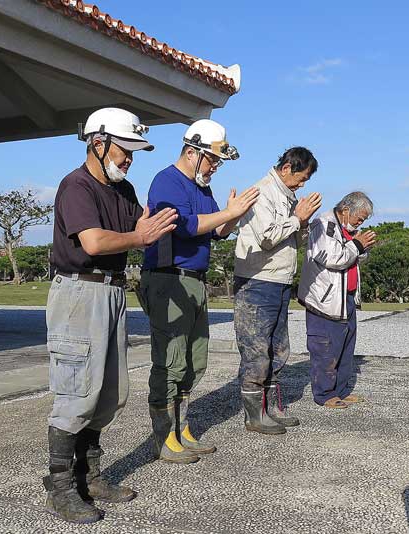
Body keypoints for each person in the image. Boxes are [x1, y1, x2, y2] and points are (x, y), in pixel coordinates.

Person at [44, 108, 177, 524]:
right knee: (77, 393)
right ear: (98, 144)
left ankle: (90, 475)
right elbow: (95, 241)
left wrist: (167, 222)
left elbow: (143, 222)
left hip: (113, 291)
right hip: (79, 293)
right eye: (125, 151)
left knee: (110, 392)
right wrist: (141, 236)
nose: (129, 160)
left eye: (134, 153)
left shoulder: (123, 189)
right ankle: (61, 486)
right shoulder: (75, 186)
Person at [140, 119, 259, 463]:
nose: (215, 167)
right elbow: (186, 225)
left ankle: (182, 427)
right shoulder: (167, 181)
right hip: (168, 278)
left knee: (195, 358)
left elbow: (216, 230)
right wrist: (228, 212)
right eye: (212, 160)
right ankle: (163, 436)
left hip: (194, 279)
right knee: (171, 360)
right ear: (191, 152)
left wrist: (234, 216)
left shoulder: (201, 187)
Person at [233, 147, 322, 434]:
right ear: (286, 168)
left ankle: (269, 408)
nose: (302, 183)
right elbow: (267, 237)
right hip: (257, 281)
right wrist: (298, 218)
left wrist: (303, 221)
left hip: (279, 281)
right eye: (301, 177)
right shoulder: (262, 192)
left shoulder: (286, 195)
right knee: (257, 349)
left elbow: (295, 235)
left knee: (278, 349)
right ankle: (254, 416)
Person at [297, 192, 377, 409]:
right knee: (325, 348)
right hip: (324, 300)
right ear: (346, 210)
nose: (360, 223)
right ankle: (324, 394)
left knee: (345, 348)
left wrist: (362, 248)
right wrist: (357, 246)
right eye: (359, 218)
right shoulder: (324, 224)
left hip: (346, 298)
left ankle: (340, 391)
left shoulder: (346, 229)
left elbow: (352, 257)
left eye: (363, 220)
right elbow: (332, 258)